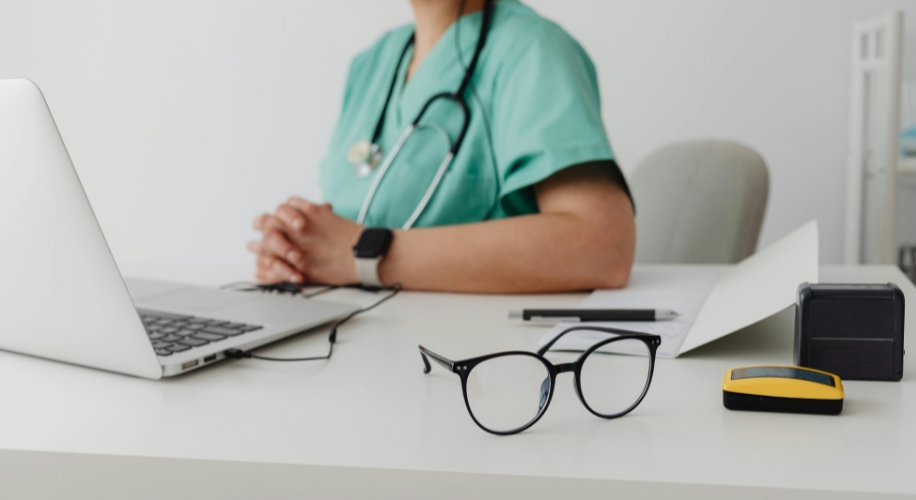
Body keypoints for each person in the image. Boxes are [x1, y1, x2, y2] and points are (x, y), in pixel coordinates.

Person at [249, 0, 635, 293]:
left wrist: (361, 252)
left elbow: (603, 246)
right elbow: (342, 230)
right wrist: (296, 254)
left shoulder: (532, 50)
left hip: (474, 368)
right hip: (355, 346)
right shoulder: (372, 63)